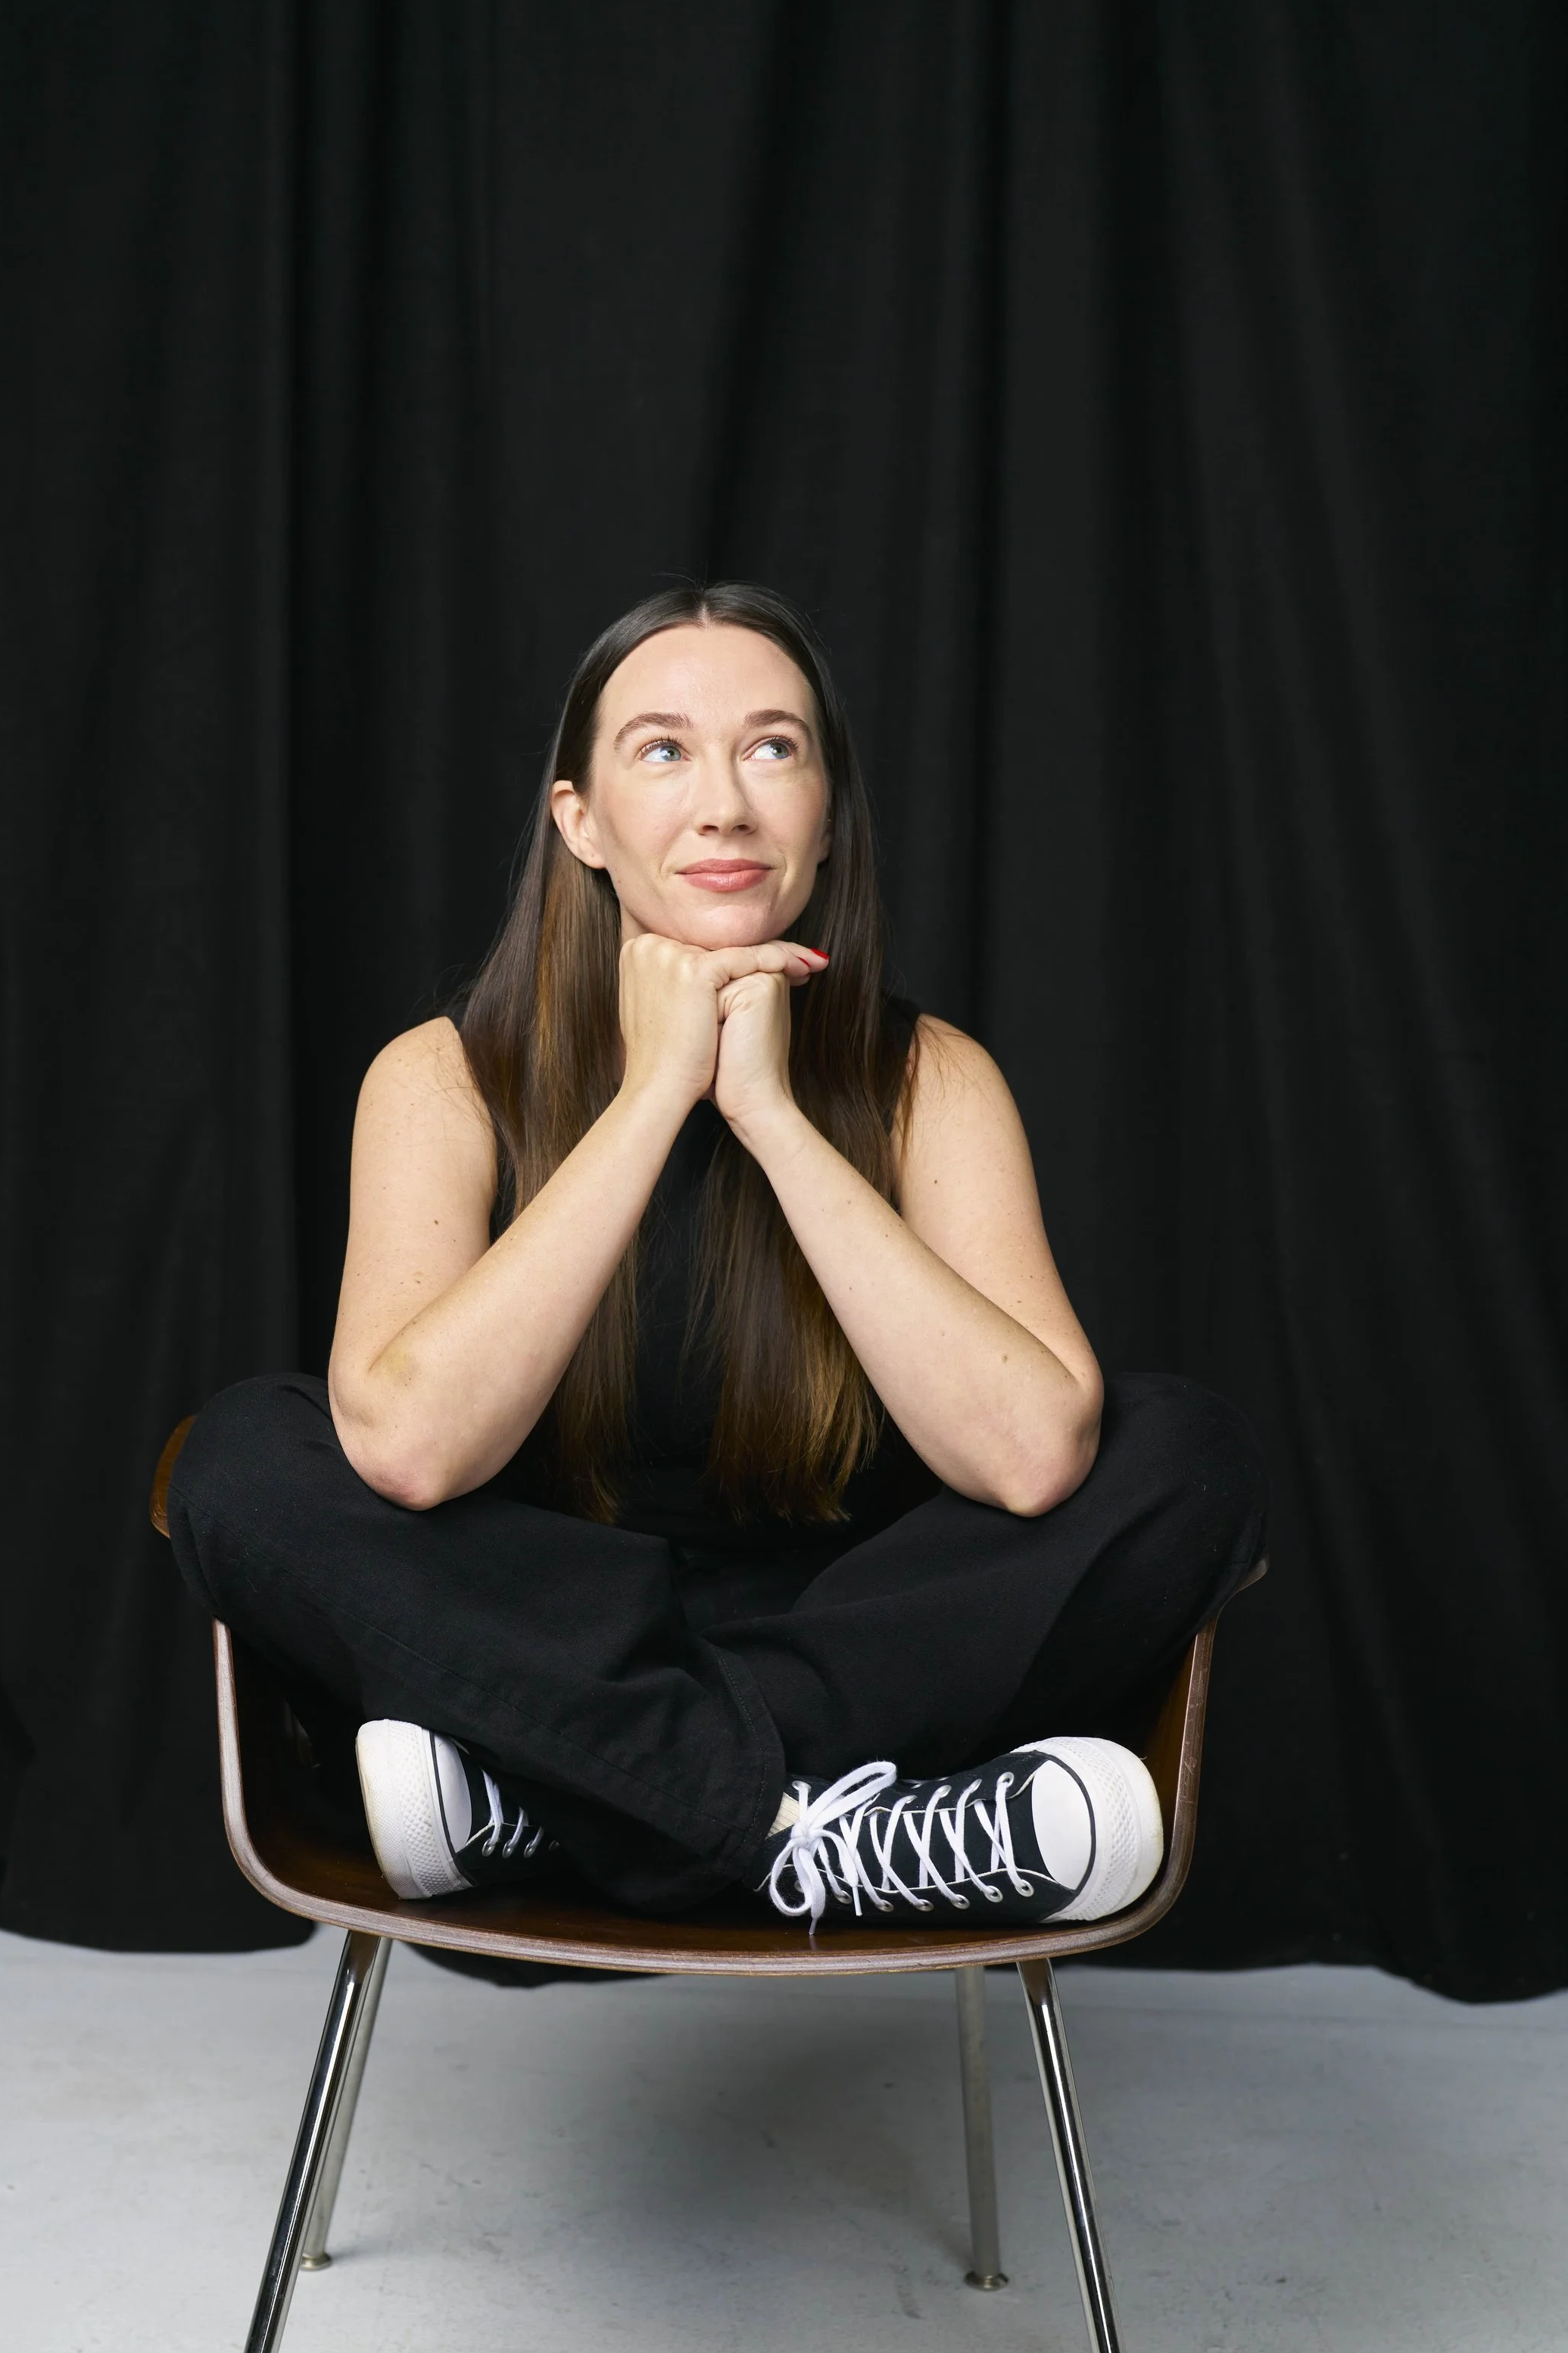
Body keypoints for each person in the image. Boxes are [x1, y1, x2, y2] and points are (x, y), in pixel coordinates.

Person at [168, 584, 1265, 1937]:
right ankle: (813, 1829)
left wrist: (770, 1115)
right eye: (663, 749)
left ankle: (568, 1796)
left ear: (827, 812)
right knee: (244, 1460)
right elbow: (411, 1451)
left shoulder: (930, 1079)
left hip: (869, 1639)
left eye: (773, 747)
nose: (726, 805)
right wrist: (651, 1095)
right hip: (535, 1627)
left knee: (1184, 1453)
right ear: (581, 821)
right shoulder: (442, 1079)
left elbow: (1032, 1455)